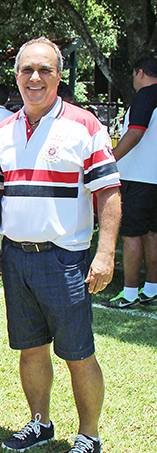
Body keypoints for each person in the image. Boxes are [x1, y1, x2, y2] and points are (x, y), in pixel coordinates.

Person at [0, 37, 121, 453]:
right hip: (15, 258)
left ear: (59, 76)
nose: (34, 78)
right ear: (15, 75)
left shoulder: (83, 125)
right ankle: (39, 423)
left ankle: (88, 437)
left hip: (64, 259)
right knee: (30, 350)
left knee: (77, 353)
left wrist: (105, 254)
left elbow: (108, 191)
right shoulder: (2, 130)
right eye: (27, 69)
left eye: (44, 70)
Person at [104, 57, 157, 309]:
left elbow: (135, 132)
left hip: (138, 177)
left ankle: (130, 293)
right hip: (153, 178)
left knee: (131, 235)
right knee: (152, 235)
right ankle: (152, 289)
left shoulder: (146, 95)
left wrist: (109, 160)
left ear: (140, 73)